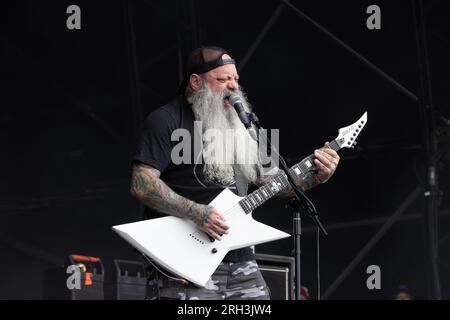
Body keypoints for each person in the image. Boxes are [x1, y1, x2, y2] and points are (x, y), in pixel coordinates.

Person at [130, 46, 340, 300]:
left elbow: (274, 184)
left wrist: (316, 174)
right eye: (223, 79)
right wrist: (196, 212)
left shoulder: (242, 125)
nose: (233, 86)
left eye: (236, 79)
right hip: (183, 260)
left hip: (239, 260)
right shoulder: (165, 120)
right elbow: (142, 184)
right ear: (195, 82)